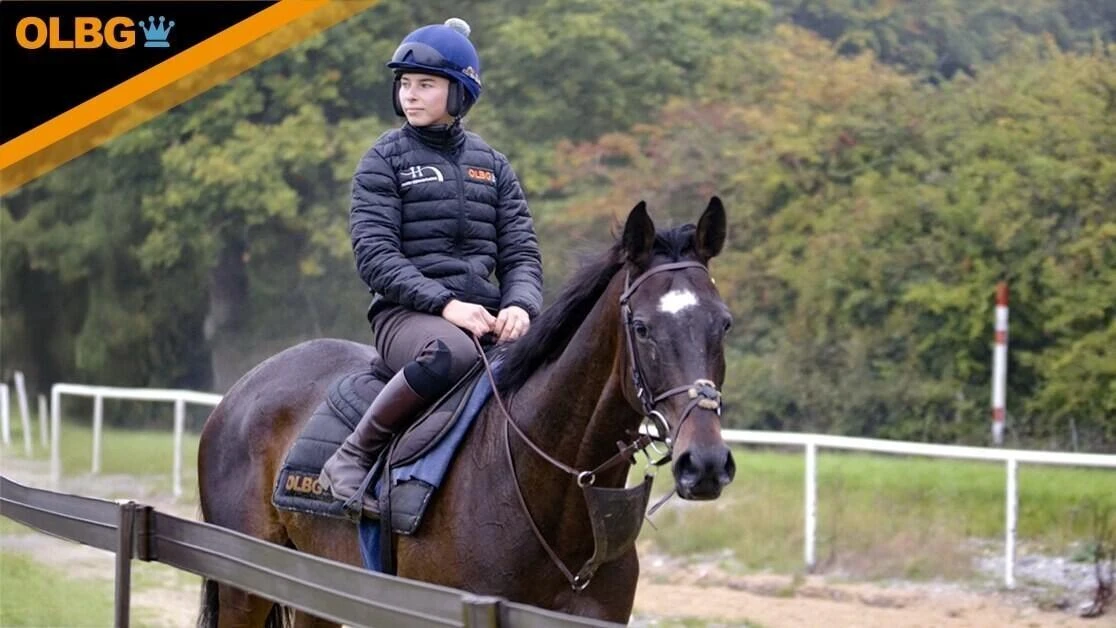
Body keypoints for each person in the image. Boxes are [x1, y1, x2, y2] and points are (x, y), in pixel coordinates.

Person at [318, 17, 544, 516]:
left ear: (459, 92)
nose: (411, 95)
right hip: (407, 316)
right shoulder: (383, 159)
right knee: (451, 354)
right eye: (405, 84)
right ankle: (352, 456)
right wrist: (447, 304)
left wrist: (521, 306)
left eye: (426, 84)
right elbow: (376, 258)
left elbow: (522, 253)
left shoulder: (494, 165)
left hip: (485, 314)